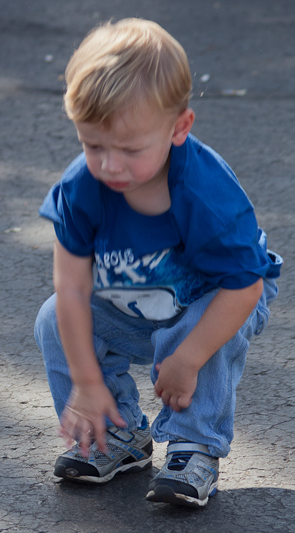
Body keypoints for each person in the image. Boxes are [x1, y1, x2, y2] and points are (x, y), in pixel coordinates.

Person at [34, 18, 282, 507]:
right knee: (52, 319)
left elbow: (244, 287)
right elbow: (72, 289)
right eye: (93, 145)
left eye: (130, 150)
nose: (110, 165)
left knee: (191, 328)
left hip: (222, 296)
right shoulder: (81, 187)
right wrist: (86, 381)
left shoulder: (204, 192)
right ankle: (114, 432)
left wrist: (187, 360)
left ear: (179, 128)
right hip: (134, 296)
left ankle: (195, 444)